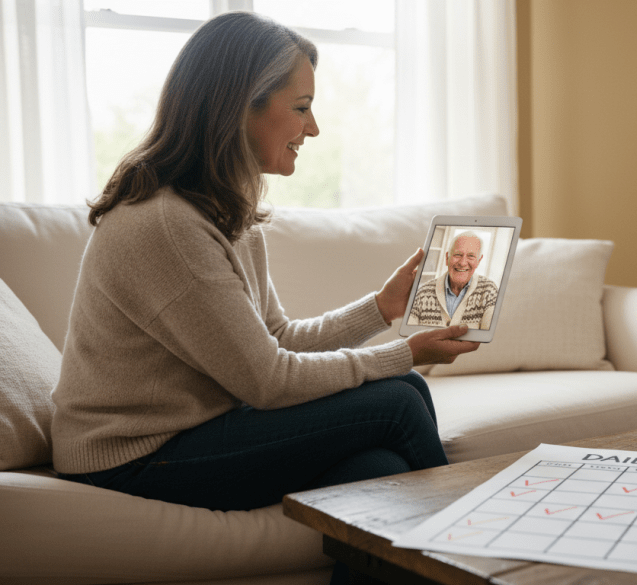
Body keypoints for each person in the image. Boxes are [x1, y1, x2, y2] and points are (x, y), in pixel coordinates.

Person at [49, 11, 478, 585]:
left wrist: (382, 309)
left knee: (378, 470)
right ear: (239, 107)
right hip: (131, 457)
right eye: (301, 108)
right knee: (399, 397)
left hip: (193, 432)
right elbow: (268, 381)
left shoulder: (226, 210)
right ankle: (476, 564)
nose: (314, 128)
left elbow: (274, 339)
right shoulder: (165, 224)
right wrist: (405, 354)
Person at [408, 231, 498, 329]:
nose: (463, 263)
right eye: (458, 255)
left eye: (471, 256)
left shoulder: (489, 290)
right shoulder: (422, 293)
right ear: (447, 258)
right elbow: (410, 336)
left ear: (478, 261)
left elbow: (490, 338)